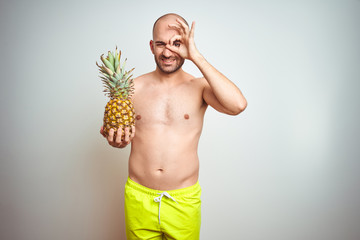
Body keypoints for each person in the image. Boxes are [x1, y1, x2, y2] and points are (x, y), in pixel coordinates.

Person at [100, 13, 247, 240]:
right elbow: (122, 137)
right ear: (152, 46)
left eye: (176, 44)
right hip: (139, 198)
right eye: (161, 44)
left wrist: (196, 56)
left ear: (186, 45)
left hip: (183, 201)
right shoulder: (131, 88)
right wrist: (116, 141)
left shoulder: (199, 88)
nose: (168, 52)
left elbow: (237, 105)